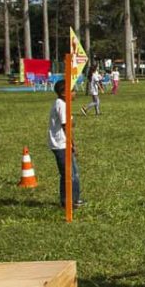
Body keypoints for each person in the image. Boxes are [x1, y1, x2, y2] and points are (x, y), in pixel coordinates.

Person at [47, 80, 84, 209]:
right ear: (64, 93)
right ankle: (69, 201)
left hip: (62, 143)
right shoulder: (62, 105)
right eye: (73, 90)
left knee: (72, 173)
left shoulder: (62, 103)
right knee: (69, 174)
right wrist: (73, 144)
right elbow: (66, 126)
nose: (75, 93)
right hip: (61, 145)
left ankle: (74, 199)